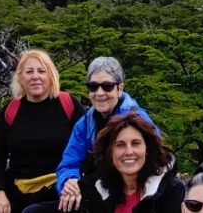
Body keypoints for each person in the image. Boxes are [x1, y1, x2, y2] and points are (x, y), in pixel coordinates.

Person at [27, 56, 158, 213]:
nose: (99, 93)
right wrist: (70, 182)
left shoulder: (137, 120)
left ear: (120, 89)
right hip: (96, 192)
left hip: (128, 195)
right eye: (93, 87)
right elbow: (69, 162)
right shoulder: (85, 124)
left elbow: (160, 158)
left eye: (107, 86)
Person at [0, 50, 89, 213]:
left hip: (61, 188)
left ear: (51, 75)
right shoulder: (10, 111)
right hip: (18, 190)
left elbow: (88, 147)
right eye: (29, 72)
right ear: (20, 78)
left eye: (41, 71)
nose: (35, 77)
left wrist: (75, 181)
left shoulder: (68, 105)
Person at [79, 113, 184, 213]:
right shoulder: (95, 191)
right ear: (110, 152)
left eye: (136, 143)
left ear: (147, 150)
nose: (129, 152)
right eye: (120, 145)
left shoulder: (170, 191)